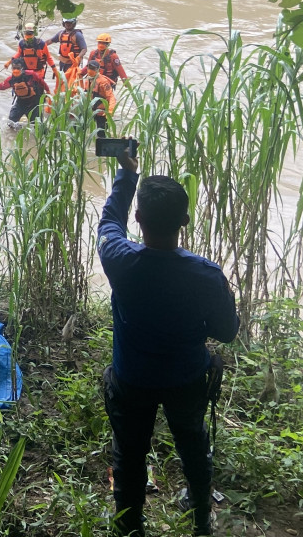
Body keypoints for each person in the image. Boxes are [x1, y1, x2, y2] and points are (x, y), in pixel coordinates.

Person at [97, 146, 239, 536]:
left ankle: (130, 528)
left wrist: (127, 174)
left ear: (139, 219)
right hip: (187, 378)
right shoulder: (207, 275)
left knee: (129, 452)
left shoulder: (120, 260)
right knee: (193, 443)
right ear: (185, 221)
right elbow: (227, 331)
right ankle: (200, 522)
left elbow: (109, 222)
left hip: (132, 379)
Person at [0, 58, 51, 124]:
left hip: (34, 102)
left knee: (37, 125)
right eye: (14, 68)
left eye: (18, 68)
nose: (16, 70)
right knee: (11, 121)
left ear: (22, 68)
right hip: (21, 102)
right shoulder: (11, 79)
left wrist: (48, 93)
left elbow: (42, 83)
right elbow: (0, 87)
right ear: (11, 68)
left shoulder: (31, 75)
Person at [77, 57, 117, 136]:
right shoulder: (88, 79)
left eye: (93, 68)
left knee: (101, 133)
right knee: (78, 126)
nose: (90, 70)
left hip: (101, 112)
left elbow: (111, 97)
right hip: (90, 110)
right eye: (89, 67)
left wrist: (110, 111)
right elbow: (86, 93)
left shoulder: (103, 82)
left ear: (97, 70)